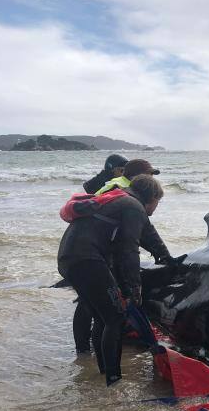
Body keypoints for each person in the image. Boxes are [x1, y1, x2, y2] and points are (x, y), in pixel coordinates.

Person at [58, 175, 171, 386]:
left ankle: (103, 373)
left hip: (69, 259)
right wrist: (134, 287)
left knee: (102, 317)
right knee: (115, 317)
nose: (157, 206)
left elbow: (148, 235)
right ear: (152, 197)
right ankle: (114, 380)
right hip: (87, 260)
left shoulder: (121, 200)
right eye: (159, 201)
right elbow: (128, 249)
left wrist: (167, 258)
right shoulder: (133, 206)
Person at [94, 159, 160, 195]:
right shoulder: (120, 187)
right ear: (136, 175)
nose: (152, 178)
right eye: (149, 174)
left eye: (152, 174)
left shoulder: (123, 182)